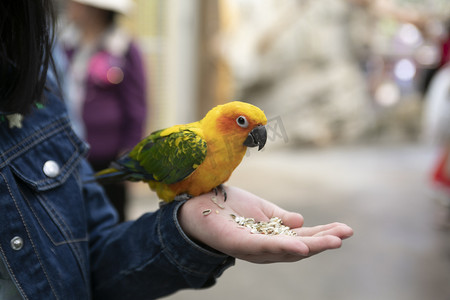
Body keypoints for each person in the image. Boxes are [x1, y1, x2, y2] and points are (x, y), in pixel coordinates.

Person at [0, 1, 353, 299]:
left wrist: (185, 229)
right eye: (244, 123)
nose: (255, 134)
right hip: (120, 160)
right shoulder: (192, 145)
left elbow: (91, 257)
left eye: (257, 127)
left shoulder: (63, 73)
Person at [61, 0, 148, 222]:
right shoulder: (65, 45)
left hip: (109, 158)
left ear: (95, 10)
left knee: (111, 220)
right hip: (70, 154)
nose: (69, 6)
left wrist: (129, 154)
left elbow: (136, 106)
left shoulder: (123, 48)